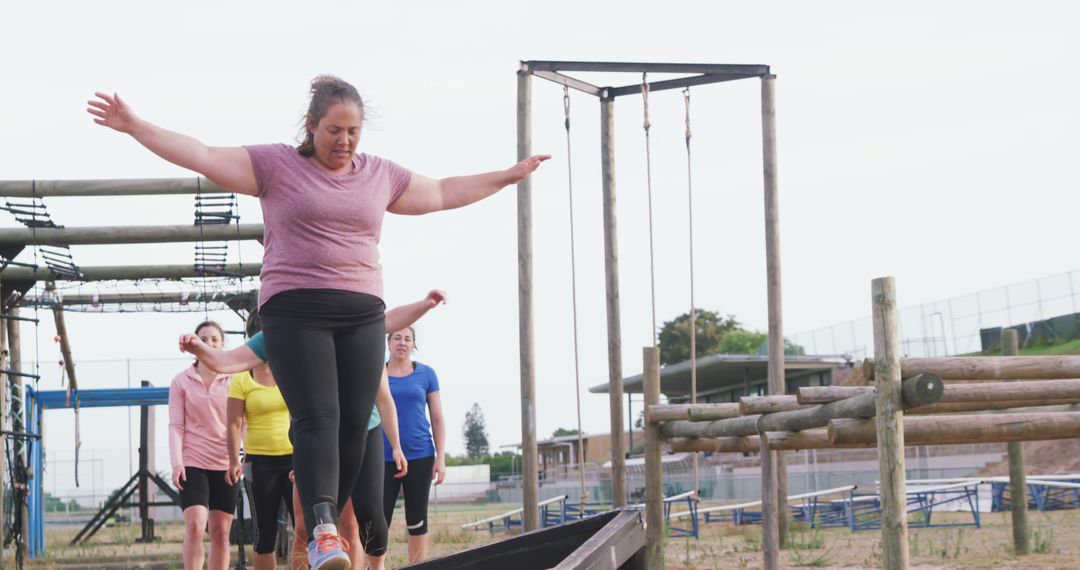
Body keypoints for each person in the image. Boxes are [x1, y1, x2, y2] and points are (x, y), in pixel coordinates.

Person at [90, 74, 548, 570]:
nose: (345, 142)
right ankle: (324, 528)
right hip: (295, 309)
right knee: (319, 417)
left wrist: (505, 176)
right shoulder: (275, 165)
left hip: (361, 313)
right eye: (334, 131)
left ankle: (327, 518)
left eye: (354, 131)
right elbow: (201, 153)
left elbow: (440, 190)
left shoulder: (379, 174)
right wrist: (135, 126)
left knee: (355, 424)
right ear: (312, 126)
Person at [182, 291, 446, 570]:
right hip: (313, 432)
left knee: (369, 516)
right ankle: (321, 544)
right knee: (312, 524)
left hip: (362, 430)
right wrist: (200, 349)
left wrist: (424, 305)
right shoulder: (284, 329)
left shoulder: (354, 321)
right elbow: (229, 361)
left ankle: (376, 566)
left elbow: (386, 323)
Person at [169, 320, 237, 570]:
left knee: (220, 531)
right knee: (196, 525)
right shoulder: (181, 381)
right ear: (194, 345)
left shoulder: (235, 379)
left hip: (226, 462)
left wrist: (241, 458)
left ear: (223, 344)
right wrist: (177, 462)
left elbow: (244, 422)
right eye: (203, 339)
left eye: (215, 340)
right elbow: (175, 426)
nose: (209, 344)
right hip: (192, 462)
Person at [383, 326, 445, 563]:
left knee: (417, 520)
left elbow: (438, 418)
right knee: (378, 521)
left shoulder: (427, 374)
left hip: (420, 454)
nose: (402, 342)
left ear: (413, 344)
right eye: (397, 337)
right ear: (388, 342)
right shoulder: (376, 373)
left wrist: (440, 457)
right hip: (382, 456)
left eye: (408, 339)